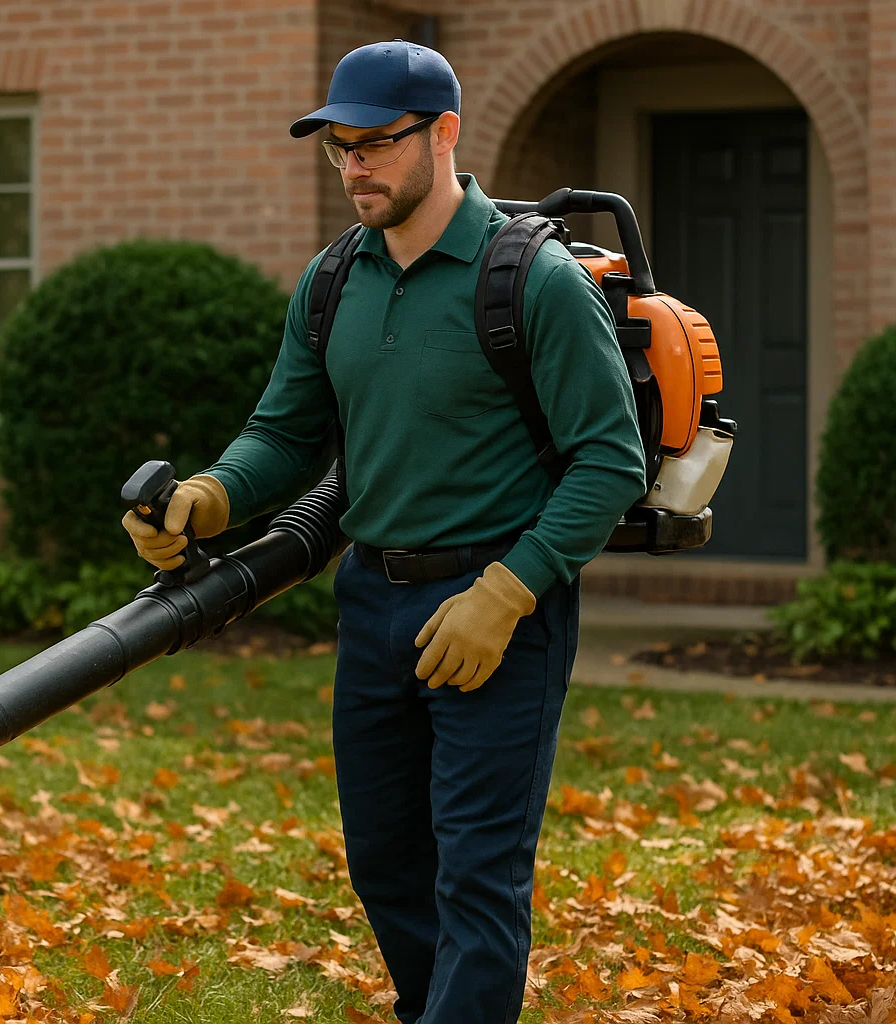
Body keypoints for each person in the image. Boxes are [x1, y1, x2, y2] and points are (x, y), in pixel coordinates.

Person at [122, 39, 647, 1024]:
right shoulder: (333, 283)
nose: (354, 166)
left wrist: (507, 590)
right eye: (339, 148)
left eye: (375, 144)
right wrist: (206, 498)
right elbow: (284, 436)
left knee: (478, 877)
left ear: (444, 133)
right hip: (372, 605)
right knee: (386, 860)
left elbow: (609, 460)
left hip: (499, 613)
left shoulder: (532, 280)